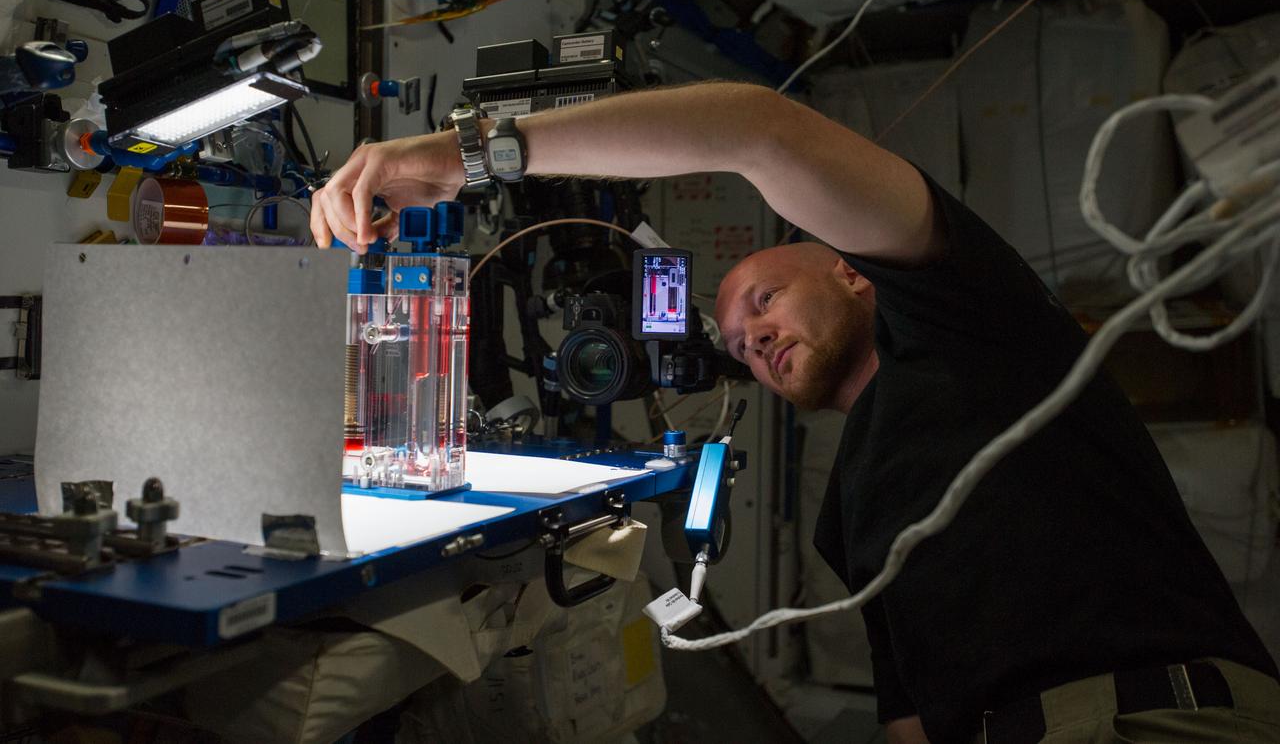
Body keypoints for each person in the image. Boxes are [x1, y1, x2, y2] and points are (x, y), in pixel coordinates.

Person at [311, 82, 1280, 743]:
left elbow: (757, 130)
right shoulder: (849, 501)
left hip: (1149, 717)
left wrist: (458, 157)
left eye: (764, 302)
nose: (752, 341)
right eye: (736, 344)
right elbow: (906, 710)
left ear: (852, 273)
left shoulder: (971, 326)